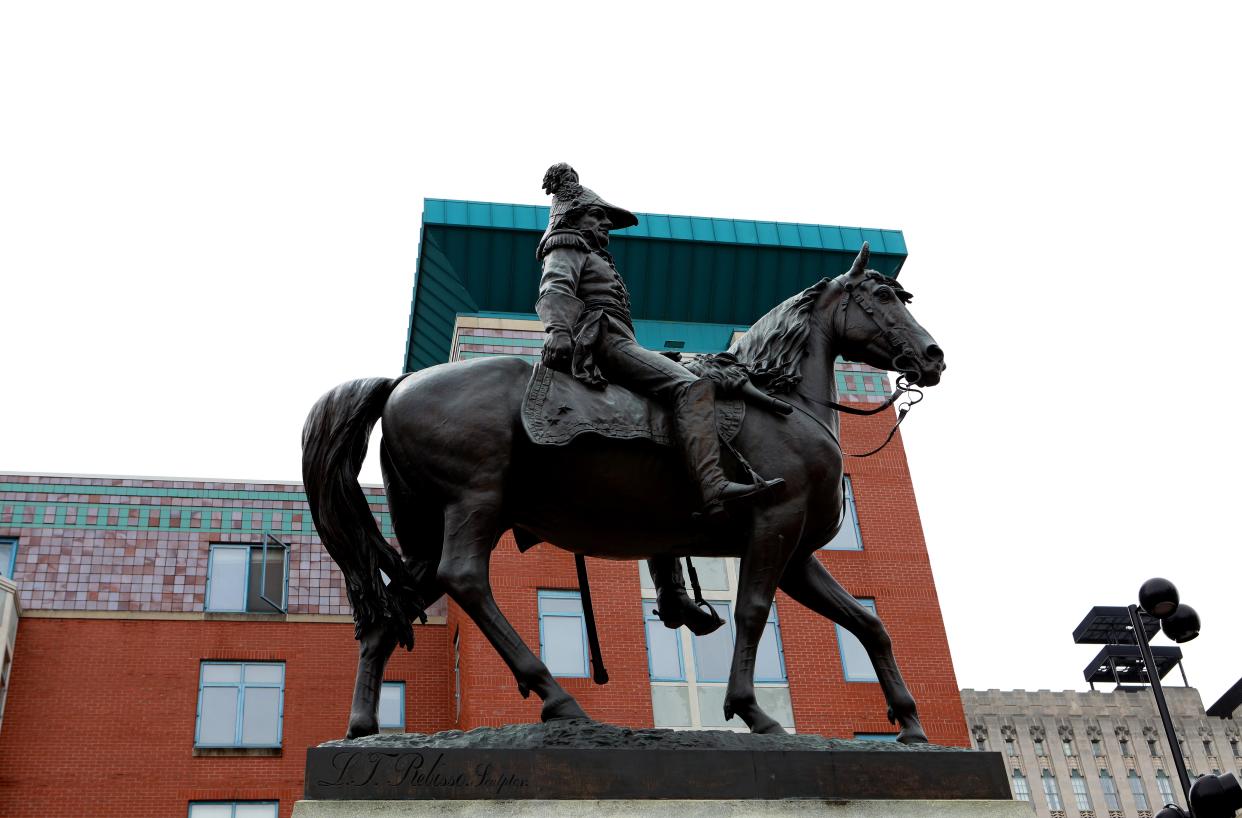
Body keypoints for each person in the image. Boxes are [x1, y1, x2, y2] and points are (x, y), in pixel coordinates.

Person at [534, 163, 783, 635]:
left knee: (662, 451)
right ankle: (713, 488)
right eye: (597, 216)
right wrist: (558, 331)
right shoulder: (566, 245)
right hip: (605, 341)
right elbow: (555, 289)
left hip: (617, 340)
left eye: (607, 218)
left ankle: (671, 593)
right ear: (575, 218)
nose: (605, 223)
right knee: (692, 388)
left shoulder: (594, 253)